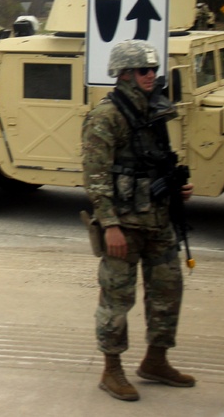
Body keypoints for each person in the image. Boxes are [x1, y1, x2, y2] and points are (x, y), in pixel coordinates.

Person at [82, 39, 195, 401]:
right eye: (145, 70)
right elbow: (96, 176)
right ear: (126, 73)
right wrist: (110, 225)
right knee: (117, 298)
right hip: (124, 227)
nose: (152, 76)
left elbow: (156, 163)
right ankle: (111, 370)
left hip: (159, 220)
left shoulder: (154, 111)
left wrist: (177, 188)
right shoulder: (106, 116)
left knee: (168, 290)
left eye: (153, 70)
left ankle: (155, 360)